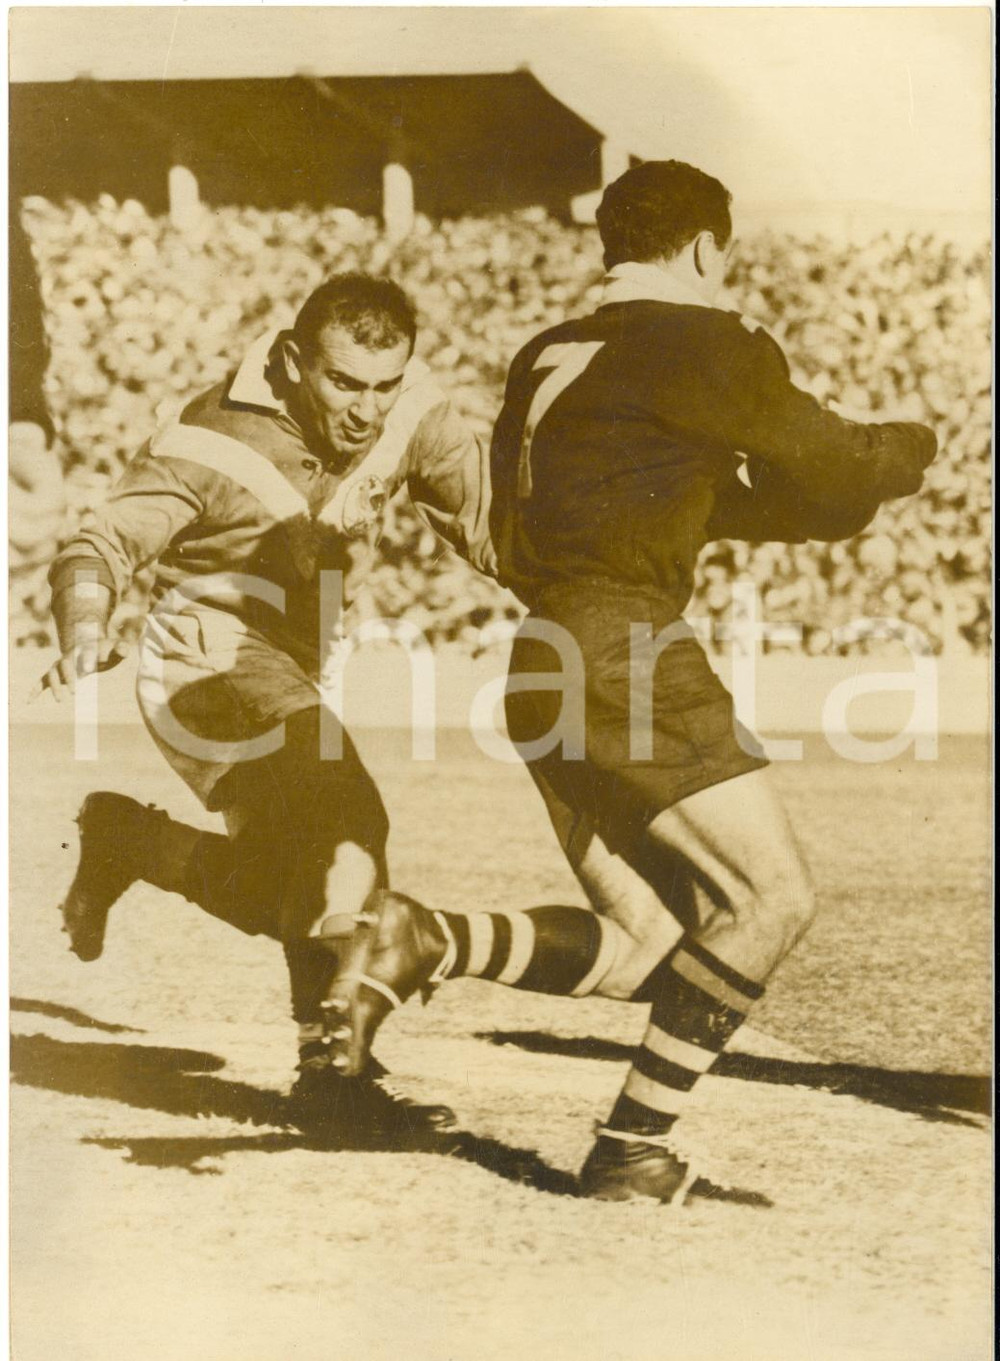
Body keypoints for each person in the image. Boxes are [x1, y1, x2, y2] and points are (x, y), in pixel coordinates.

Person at [320, 161, 938, 1202]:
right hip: (625, 648)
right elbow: (833, 470)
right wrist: (905, 448)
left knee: (648, 938)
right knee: (769, 897)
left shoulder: (548, 353)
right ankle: (629, 1144)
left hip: (542, 655)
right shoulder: (708, 343)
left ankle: (429, 936)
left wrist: (814, 499)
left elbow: (665, 499)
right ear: (706, 247)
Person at [41, 272, 494, 1138]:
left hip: (301, 661)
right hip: (203, 656)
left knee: (292, 885)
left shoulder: (413, 408)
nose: (366, 410)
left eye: (383, 385)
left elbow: (493, 523)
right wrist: (85, 623)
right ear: (293, 362)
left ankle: (133, 841)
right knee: (347, 816)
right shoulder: (210, 441)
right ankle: (337, 1075)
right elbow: (99, 543)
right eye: (343, 383)